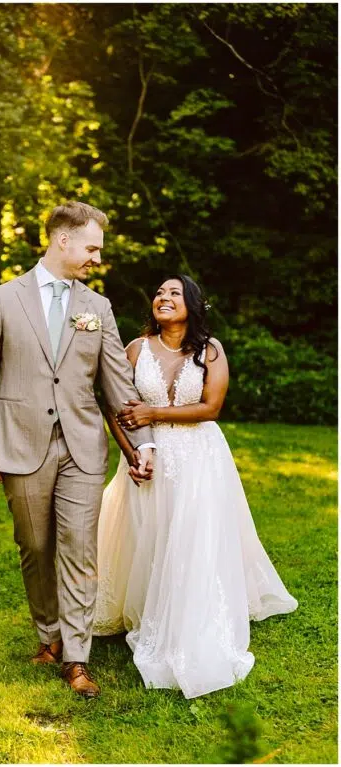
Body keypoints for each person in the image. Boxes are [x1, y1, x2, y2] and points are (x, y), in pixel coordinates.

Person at [0, 201, 154, 698]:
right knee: (36, 545)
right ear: (63, 240)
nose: (96, 257)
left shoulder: (98, 308)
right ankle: (48, 634)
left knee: (79, 549)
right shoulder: (2, 301)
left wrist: (143, 442)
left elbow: (117, 382)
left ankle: (76, 656)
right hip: (19, 443)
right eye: (92, 247)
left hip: (83, 447)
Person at [93, 274, 297, 698]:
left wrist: (154, 413)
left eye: (174, 293)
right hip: (147, 455)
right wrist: (132, 452)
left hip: (199, 457)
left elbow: (211, 407)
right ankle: (150, 605)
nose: (163, 298)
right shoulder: (135, 349)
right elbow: (115, 405)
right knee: (146, 533)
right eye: (159, 293)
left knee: (191, 536)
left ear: (192, 304)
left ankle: (189, 615)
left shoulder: (211, 350)